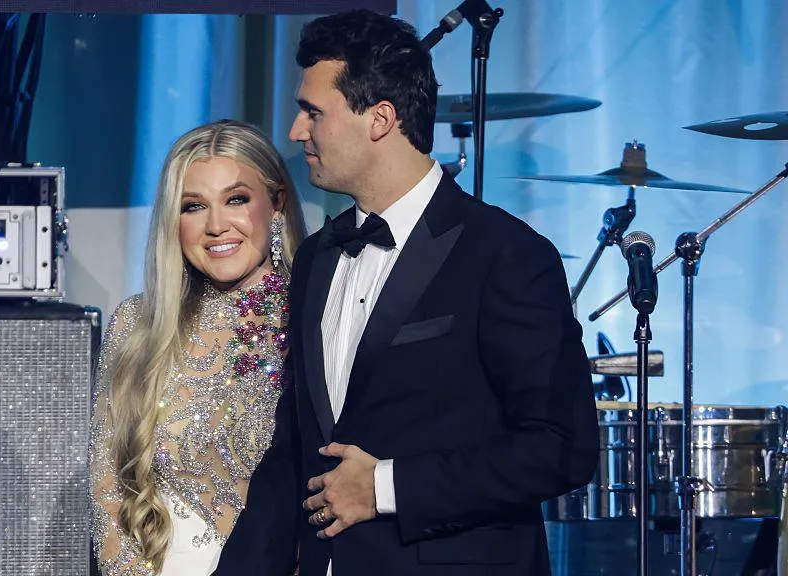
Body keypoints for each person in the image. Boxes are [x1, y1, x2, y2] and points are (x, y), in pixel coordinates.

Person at [213, 10, 599, 576]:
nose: (296, 131)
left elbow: (562, 447)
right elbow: (294, 453)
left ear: (380, 119)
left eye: (313, 112)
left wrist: (385, 486)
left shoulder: (505, 254)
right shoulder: (317, 257)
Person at [90, 119, 307, 575]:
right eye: (193, 206)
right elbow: (108, 487)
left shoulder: (314, 316)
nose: (216, 226)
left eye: (236, 200)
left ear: (277, 203)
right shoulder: (138, 325)